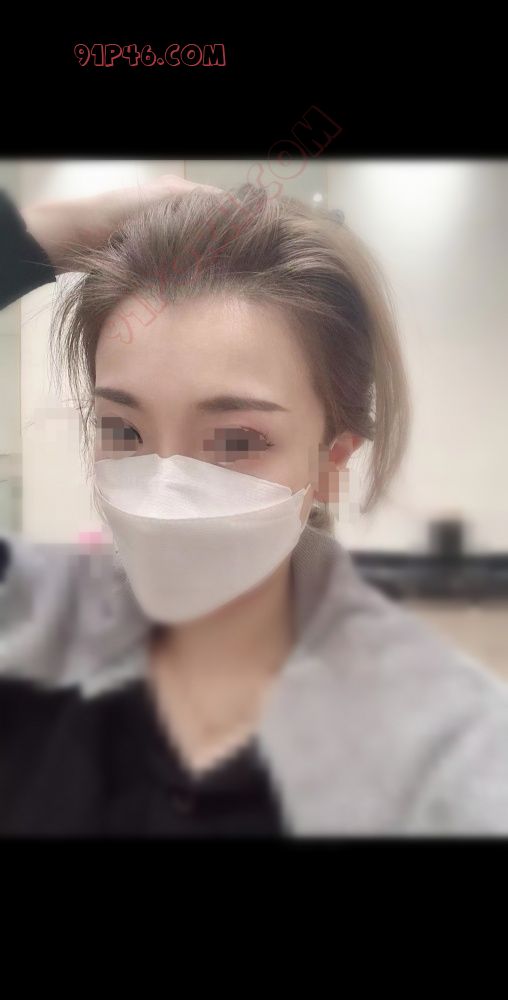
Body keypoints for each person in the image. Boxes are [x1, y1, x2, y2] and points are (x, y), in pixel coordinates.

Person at [1, 175, 508, 837]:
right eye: (123, 431)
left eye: (237, 440)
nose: (161, 496)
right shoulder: (31, 625)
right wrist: (45, 232)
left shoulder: (446, 746)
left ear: (330, 462)